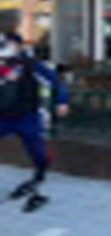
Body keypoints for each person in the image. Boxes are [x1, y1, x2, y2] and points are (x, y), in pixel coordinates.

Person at [0, 32, 68, 212]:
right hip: (3, 115)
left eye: (7, 44)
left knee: (36, 149)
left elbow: (55, 82)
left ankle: (39, 174)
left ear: (17, 45)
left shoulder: (31, 65)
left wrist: (61, 101)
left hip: (27, 116)